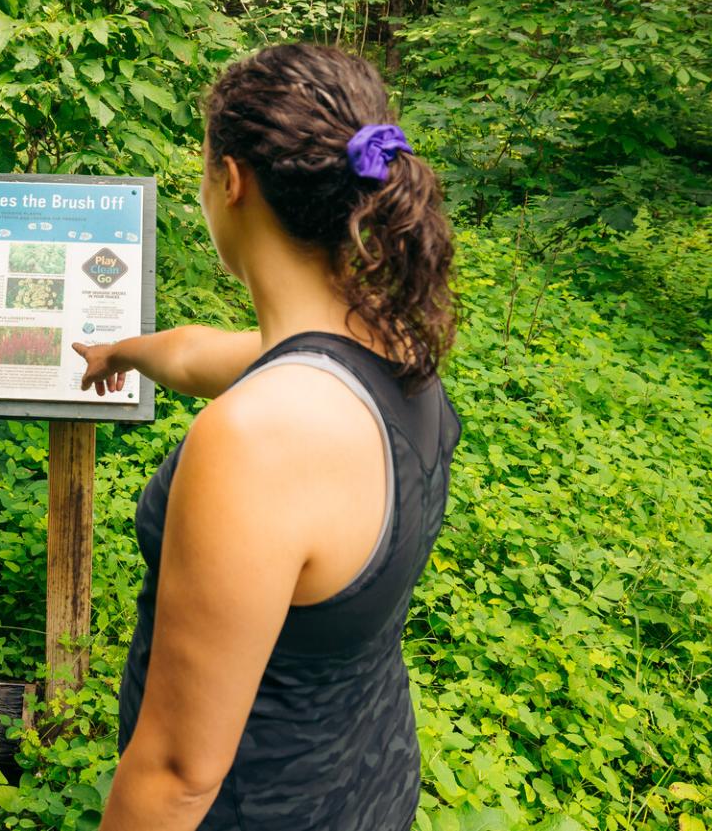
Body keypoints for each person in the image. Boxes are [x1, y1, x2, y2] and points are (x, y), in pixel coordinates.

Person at [74, 43, 459, 831]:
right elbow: (197, 353)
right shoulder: (387, 345)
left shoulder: (259, 440)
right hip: (368, 776)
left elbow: (180, 772)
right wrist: (121, 353)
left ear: (232, 181)